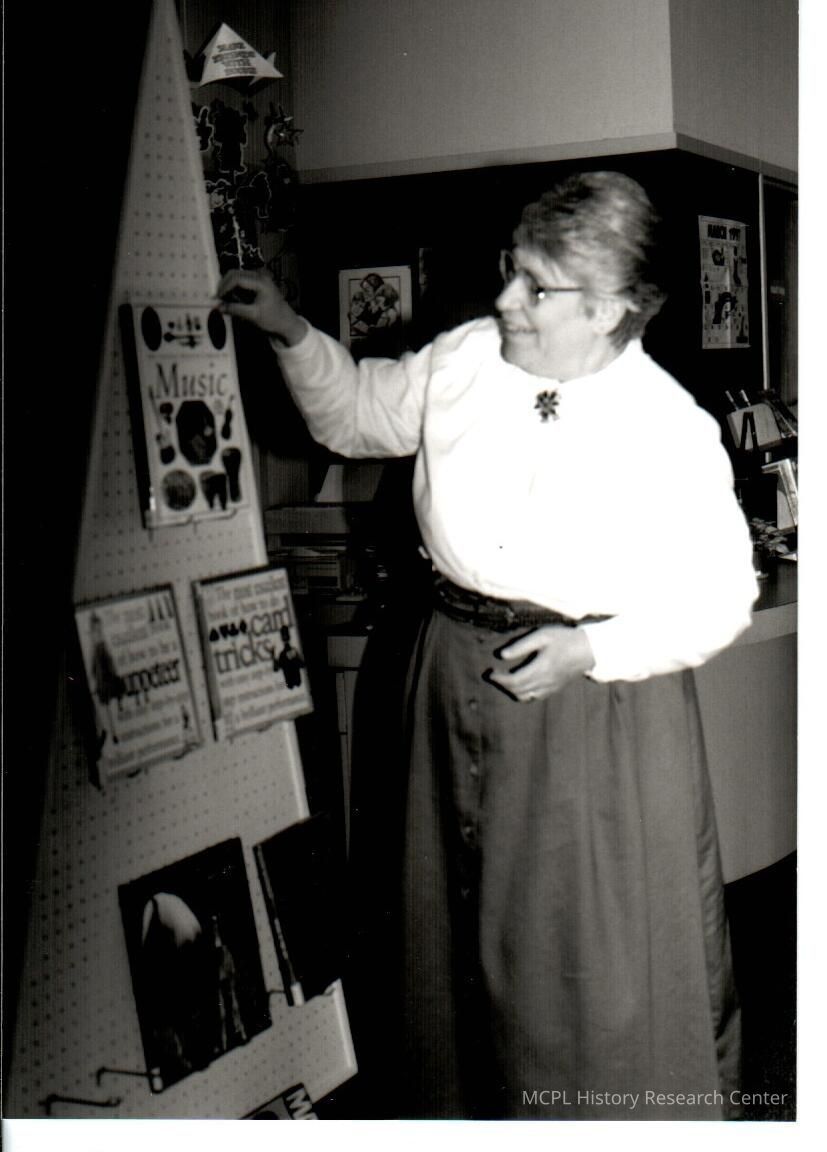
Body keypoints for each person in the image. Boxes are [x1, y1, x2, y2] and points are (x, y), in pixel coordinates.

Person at [218, 171, 759, 1120]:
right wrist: (291, 332)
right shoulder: (465, 357)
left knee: (578, 957)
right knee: (442, 932)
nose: (505, 297)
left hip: (590, 703)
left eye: (535, 287)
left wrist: (591, 652)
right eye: (510, 268)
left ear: (609, 309)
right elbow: (358, 415)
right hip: (448, 673)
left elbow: (721, 596)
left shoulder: (670, 427)